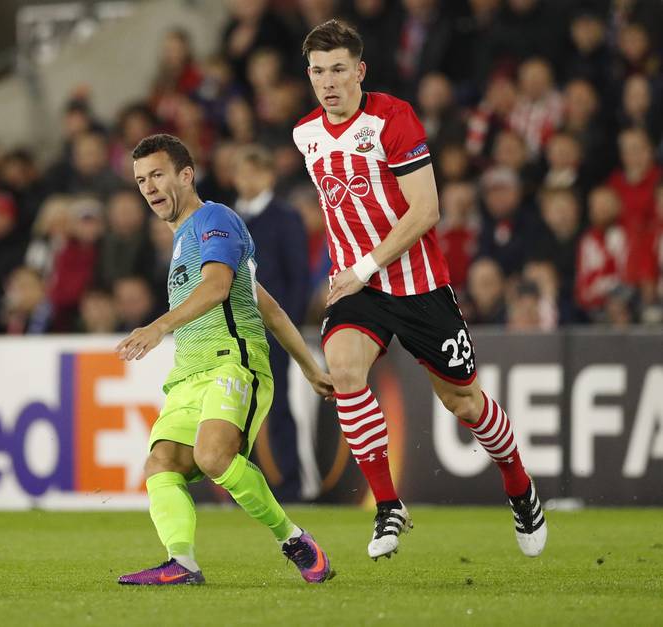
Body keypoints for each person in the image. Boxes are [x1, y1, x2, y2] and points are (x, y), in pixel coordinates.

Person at [293, 20, 546, 561]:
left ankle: (519, 484)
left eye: (339, 69)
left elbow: (426, 210)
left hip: (419, 286)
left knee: (464, 402)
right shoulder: (305, 134)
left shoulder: (393, 117)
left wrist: (364, 264)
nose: (328, 82)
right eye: (318, 71)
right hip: (358, 289)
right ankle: (388, 506)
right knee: (343, 372)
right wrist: (350, 273)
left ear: (360, 71)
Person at [116, 134, 334, 586]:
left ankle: (294, 539)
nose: (150, 187)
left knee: (213, 457)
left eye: (158, 175)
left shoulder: (215, 218)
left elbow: (217, 288)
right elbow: (267, 305)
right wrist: (311, 367)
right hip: (189, 375)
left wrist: (158, 326)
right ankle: (182, 562)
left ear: (186, 175)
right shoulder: (181, 241)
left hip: (233, 361)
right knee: (161, 465)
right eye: (141, 180)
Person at [233, 145, 310, 501]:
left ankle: (291, 484)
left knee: (276, 406)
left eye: (250, 172)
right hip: (234, 330)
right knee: (236, 410)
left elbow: (299, 277)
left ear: (267, 176)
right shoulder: (231, 219)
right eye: (240, 173)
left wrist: (285, 326)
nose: (243, 180)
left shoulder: (285, 217)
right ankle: (246, 486)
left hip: (270, 329)